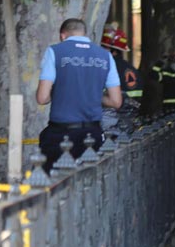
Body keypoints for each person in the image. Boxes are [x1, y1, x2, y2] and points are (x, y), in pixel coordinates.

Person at [36, 18, 123, 171]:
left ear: (63, 36)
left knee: (51, 182)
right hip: (92, 134)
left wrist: (61, 91)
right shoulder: (106, 56)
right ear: (84, 34)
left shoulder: (55, 52)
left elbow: (42, 98)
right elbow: (116, 102)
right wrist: (95, 96)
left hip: (61, 134)